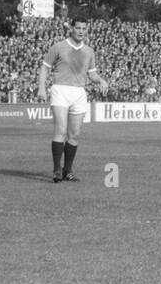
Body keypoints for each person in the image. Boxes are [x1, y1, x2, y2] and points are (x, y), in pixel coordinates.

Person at [37, 18, 109, 182]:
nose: (81, 31)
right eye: (78, 28)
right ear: (71, 29)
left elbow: (92, 74)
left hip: (79, 93)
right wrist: (41, 88)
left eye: (84, 28)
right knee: (61, 131)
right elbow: (44, 68)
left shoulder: (89, 51)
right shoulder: (58, 47)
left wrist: (101, 80)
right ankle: (56, 169)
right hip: (60, 90)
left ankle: (67, 171)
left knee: (74, 134)